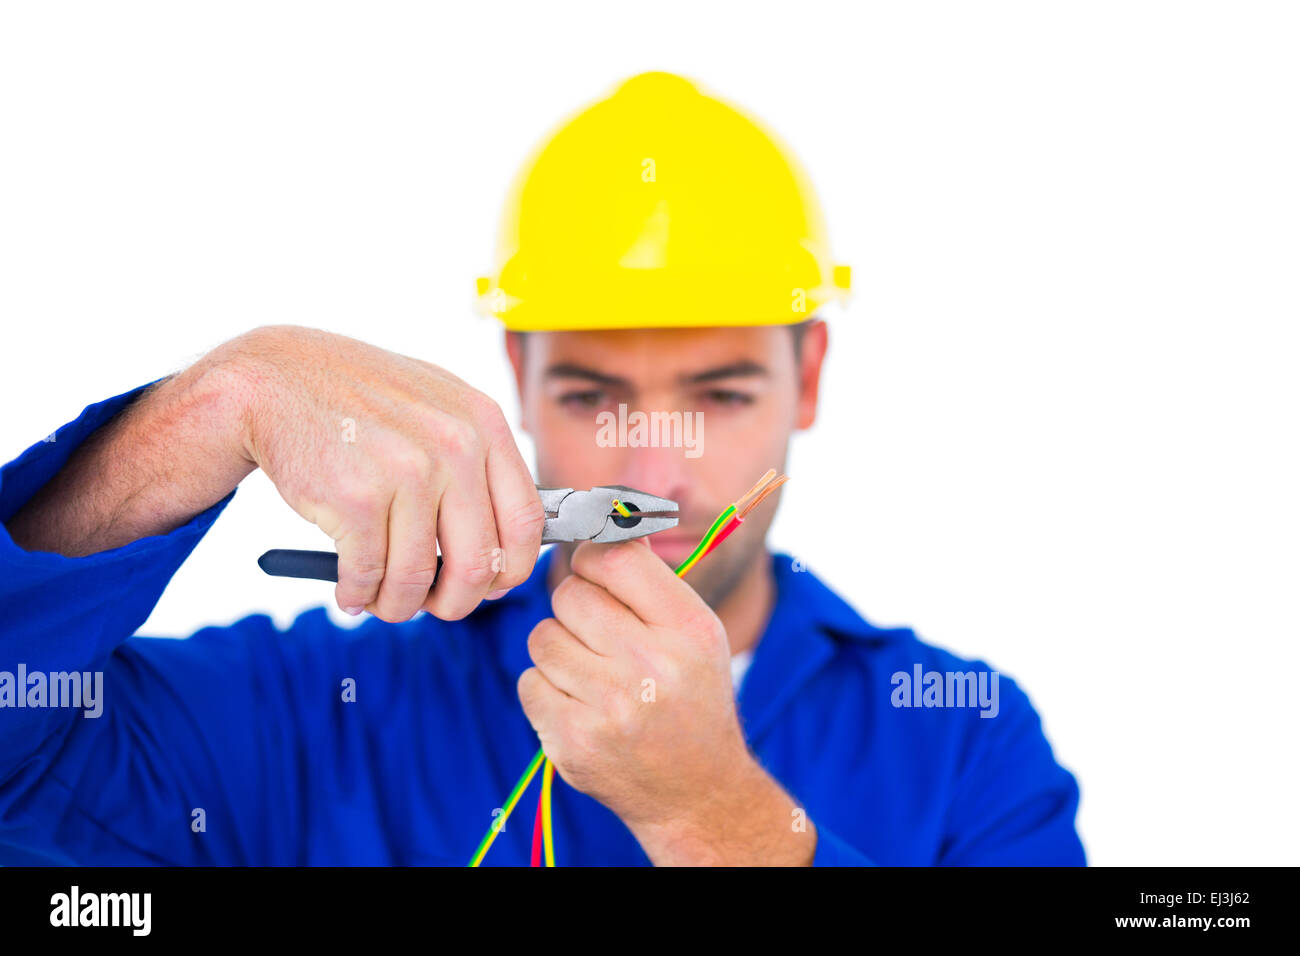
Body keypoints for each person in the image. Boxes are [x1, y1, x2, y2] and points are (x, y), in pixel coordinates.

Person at [0, 73, 1084, 865]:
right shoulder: (305, 714)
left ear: (806, 382)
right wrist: (209, 406)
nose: (657, 457)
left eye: (720, 393)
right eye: (590, 394)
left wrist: (716, 818)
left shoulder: (964, 739)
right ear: (517, 376)